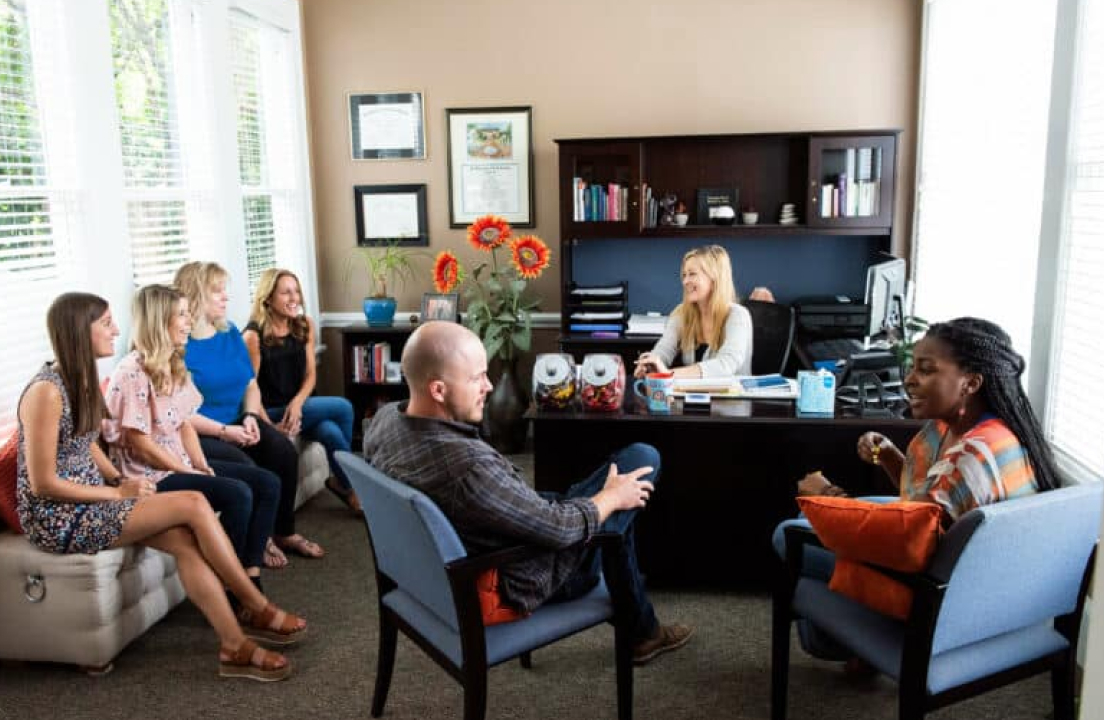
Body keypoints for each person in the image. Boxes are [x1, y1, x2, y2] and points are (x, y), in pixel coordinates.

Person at [363, 321, 693, 666]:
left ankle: (642, 627)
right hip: (517, 579)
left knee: (607, 497)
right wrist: (611, 499)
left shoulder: (386, 419)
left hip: (456, 553)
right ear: (438, 390)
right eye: (477, 378)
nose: (489, 386)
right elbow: (558, 529)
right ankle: (641, 628)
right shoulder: (466, 466)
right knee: (640, 462)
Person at [16, 292, 306, 681]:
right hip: (60, 517)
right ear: (77, 331)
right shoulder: (46, 392)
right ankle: (255, 604)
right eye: (105, 323)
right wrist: (116, 493)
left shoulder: (80, 378)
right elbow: (43, 483)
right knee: (192, 503)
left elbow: (85, 445)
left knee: (185, 536)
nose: (116, 329)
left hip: (95, 500)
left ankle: (234, 644)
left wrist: (119, 478)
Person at [774, 317, 1060, 662]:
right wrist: (892, 458)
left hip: (940, 592)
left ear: (970, 382)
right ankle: (852, 642)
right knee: (846, 512)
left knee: (788, 534)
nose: (909, 379)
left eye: (925, 370)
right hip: (975, 576)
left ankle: (850, 641)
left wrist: (827, 495)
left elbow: (905, 541)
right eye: (912, 367)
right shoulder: (988, 431)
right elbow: (930, 502)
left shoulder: (969, 458)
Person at [103, 284, 280, 592]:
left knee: (267, 483)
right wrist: (187, 471)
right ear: (160, 320)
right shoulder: (131, 372)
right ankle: (232, 589)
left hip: (178, 463)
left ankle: (249, 574)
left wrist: (200, 463)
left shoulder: (173, 363)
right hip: (148, 475)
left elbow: (184, 423)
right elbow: (139, 443)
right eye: (181, 315)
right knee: (237, 494)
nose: (188, 321)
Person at [173, 261, 324, 569]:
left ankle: (284, 532)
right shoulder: (179, 345)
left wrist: (251, 416)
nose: (225, 297)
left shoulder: (228, 333)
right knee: (245, 462)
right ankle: (261, 538)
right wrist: (226, 431)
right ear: (195, 295)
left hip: (238, 419)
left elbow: (250, 383)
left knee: (283, 451)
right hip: (202, 431)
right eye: (217, 291)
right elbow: (179, 414)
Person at [242, 268, 359, 513]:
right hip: (272, 411)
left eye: (296, 291)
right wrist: (270, 429)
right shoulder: (253, 336)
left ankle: (344, 484)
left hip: (300, 407)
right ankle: (353, 487)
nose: (294, 298)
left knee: (330, 432)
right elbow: (249, 389)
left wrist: (297, 403)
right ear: (268, 299)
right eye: (286, 293)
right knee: (343, 407)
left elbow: (310, 374)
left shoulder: (304, 325)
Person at [633, 245, 752, 380]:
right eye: (684, 275)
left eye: (692, 274)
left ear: (714, 279)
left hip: (734, 398)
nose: (685, 281)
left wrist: (668, 374)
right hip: (694, 396)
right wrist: (650, 364)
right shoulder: (681, 313)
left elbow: (727, 364)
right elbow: (664, 350)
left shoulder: (737, 315)